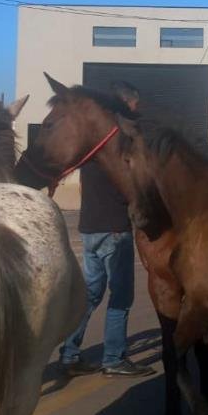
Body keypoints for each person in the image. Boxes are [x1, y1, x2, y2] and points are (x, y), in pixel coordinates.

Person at [61, 81, 155, 378]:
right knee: (121, 296)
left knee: (91, 293)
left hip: (89, 227)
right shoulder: (118, 144)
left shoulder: (91, 146)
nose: (137, 110)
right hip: (115, 228)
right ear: (126, 103)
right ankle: (113, 358)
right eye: (135, 105)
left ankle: (69, 354)